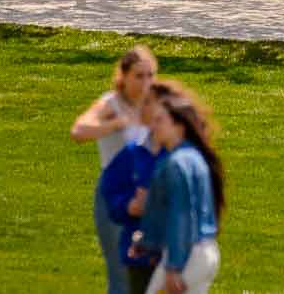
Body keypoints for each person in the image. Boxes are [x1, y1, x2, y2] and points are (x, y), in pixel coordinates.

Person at [73, 46, 158, 294]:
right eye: (139, 76)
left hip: (150, 197)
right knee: (122, 275)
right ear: (123, 76)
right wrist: (115, 124)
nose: (146, 82)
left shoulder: (155, 106)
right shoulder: (111, 104)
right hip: (116, 195)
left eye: (150, 75)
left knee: (153, 274)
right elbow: (79, 131)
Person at [135, 85, 224, 294]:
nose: (152, 126)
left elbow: (181, 215)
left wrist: (174, 266)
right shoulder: (194, 157)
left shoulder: (176, 163)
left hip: (186, 256)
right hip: (205, 252)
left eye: (160, 121)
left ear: (179, 127)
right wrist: (146, 241)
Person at [98, 86, 162, 294]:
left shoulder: (181, 156)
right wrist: (128, 205)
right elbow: (110, 191)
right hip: (139, 255)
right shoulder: (133, 152)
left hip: (176, 254)